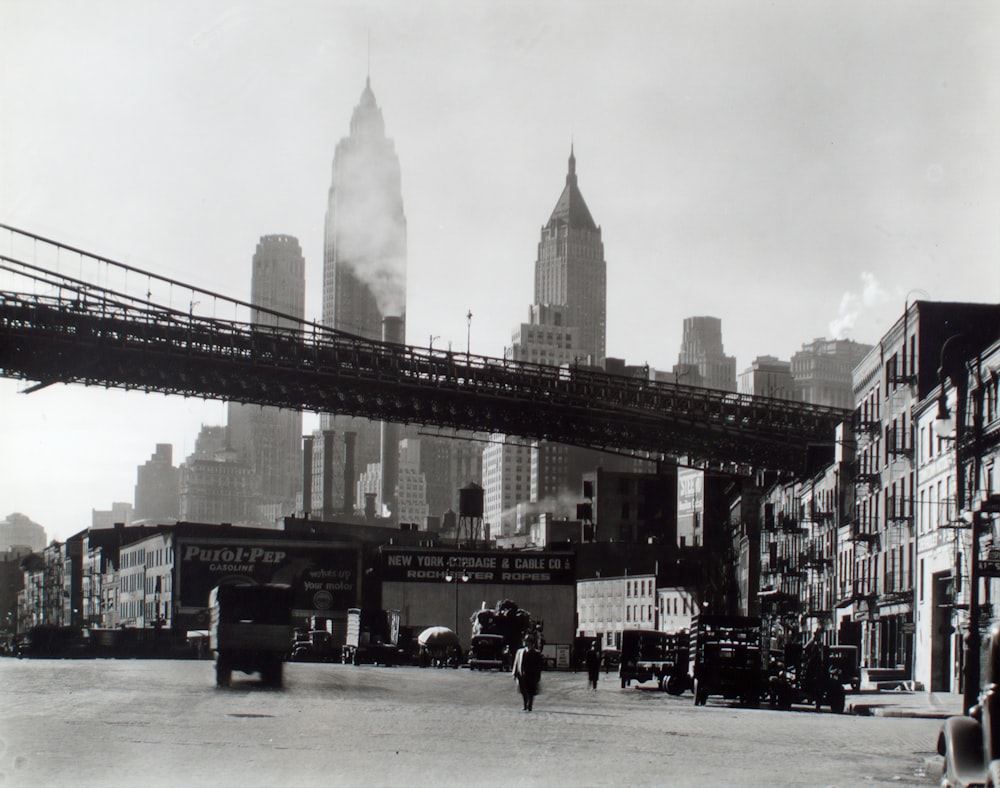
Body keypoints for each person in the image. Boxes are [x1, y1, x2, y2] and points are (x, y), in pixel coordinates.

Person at [512, 635, 543, 711]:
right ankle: (525, 704)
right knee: (523, 690)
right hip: (522, 674)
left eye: (528, 642)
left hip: (531, 675)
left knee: (531, 691)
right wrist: (514, 673)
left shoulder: (536, 653)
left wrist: (538, 676)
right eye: (526, 641)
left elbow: (539, 666)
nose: (527, 643)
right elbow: (516, 662)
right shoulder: (520, 652)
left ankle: (530, 705)